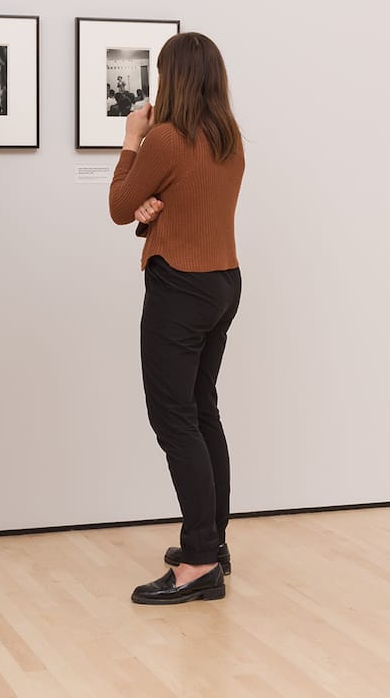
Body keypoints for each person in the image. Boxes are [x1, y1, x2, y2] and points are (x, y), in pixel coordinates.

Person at [108, 32, 244, 606]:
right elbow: (182, 208)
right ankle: (213, 541)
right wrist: (152, 214)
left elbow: (118, 206)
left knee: (174, 419)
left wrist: (130, 140)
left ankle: (197, 562)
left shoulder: (163, 139)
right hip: (223, 282)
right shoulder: (229, 138)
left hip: (180, 286)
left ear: (174, 78)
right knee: (200, 408)